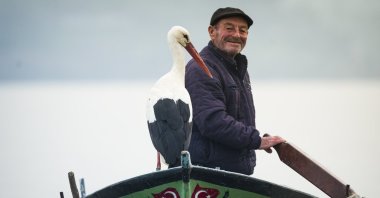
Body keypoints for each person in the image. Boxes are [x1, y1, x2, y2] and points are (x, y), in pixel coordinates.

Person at [185, 7, 285, 175]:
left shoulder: (239, 70)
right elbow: (213, 121)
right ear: (212, 32)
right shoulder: (201, 68)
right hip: (206, 174)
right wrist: (256, 141)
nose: (237, 35)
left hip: (234, 174)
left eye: (243, 30)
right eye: (229, 28)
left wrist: (257, 140)